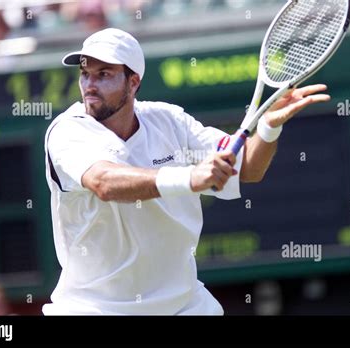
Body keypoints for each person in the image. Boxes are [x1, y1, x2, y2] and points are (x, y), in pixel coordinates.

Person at [43, 28, 330, 315]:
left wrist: (268, 128)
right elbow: (103, 182)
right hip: (92, 310)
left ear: (133, 83)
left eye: (103, 74)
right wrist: (189, 178)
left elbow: (249, 169)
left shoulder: (170, 121)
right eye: (85, 74)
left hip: (183, 305)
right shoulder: (67, 130)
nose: (89, 85)